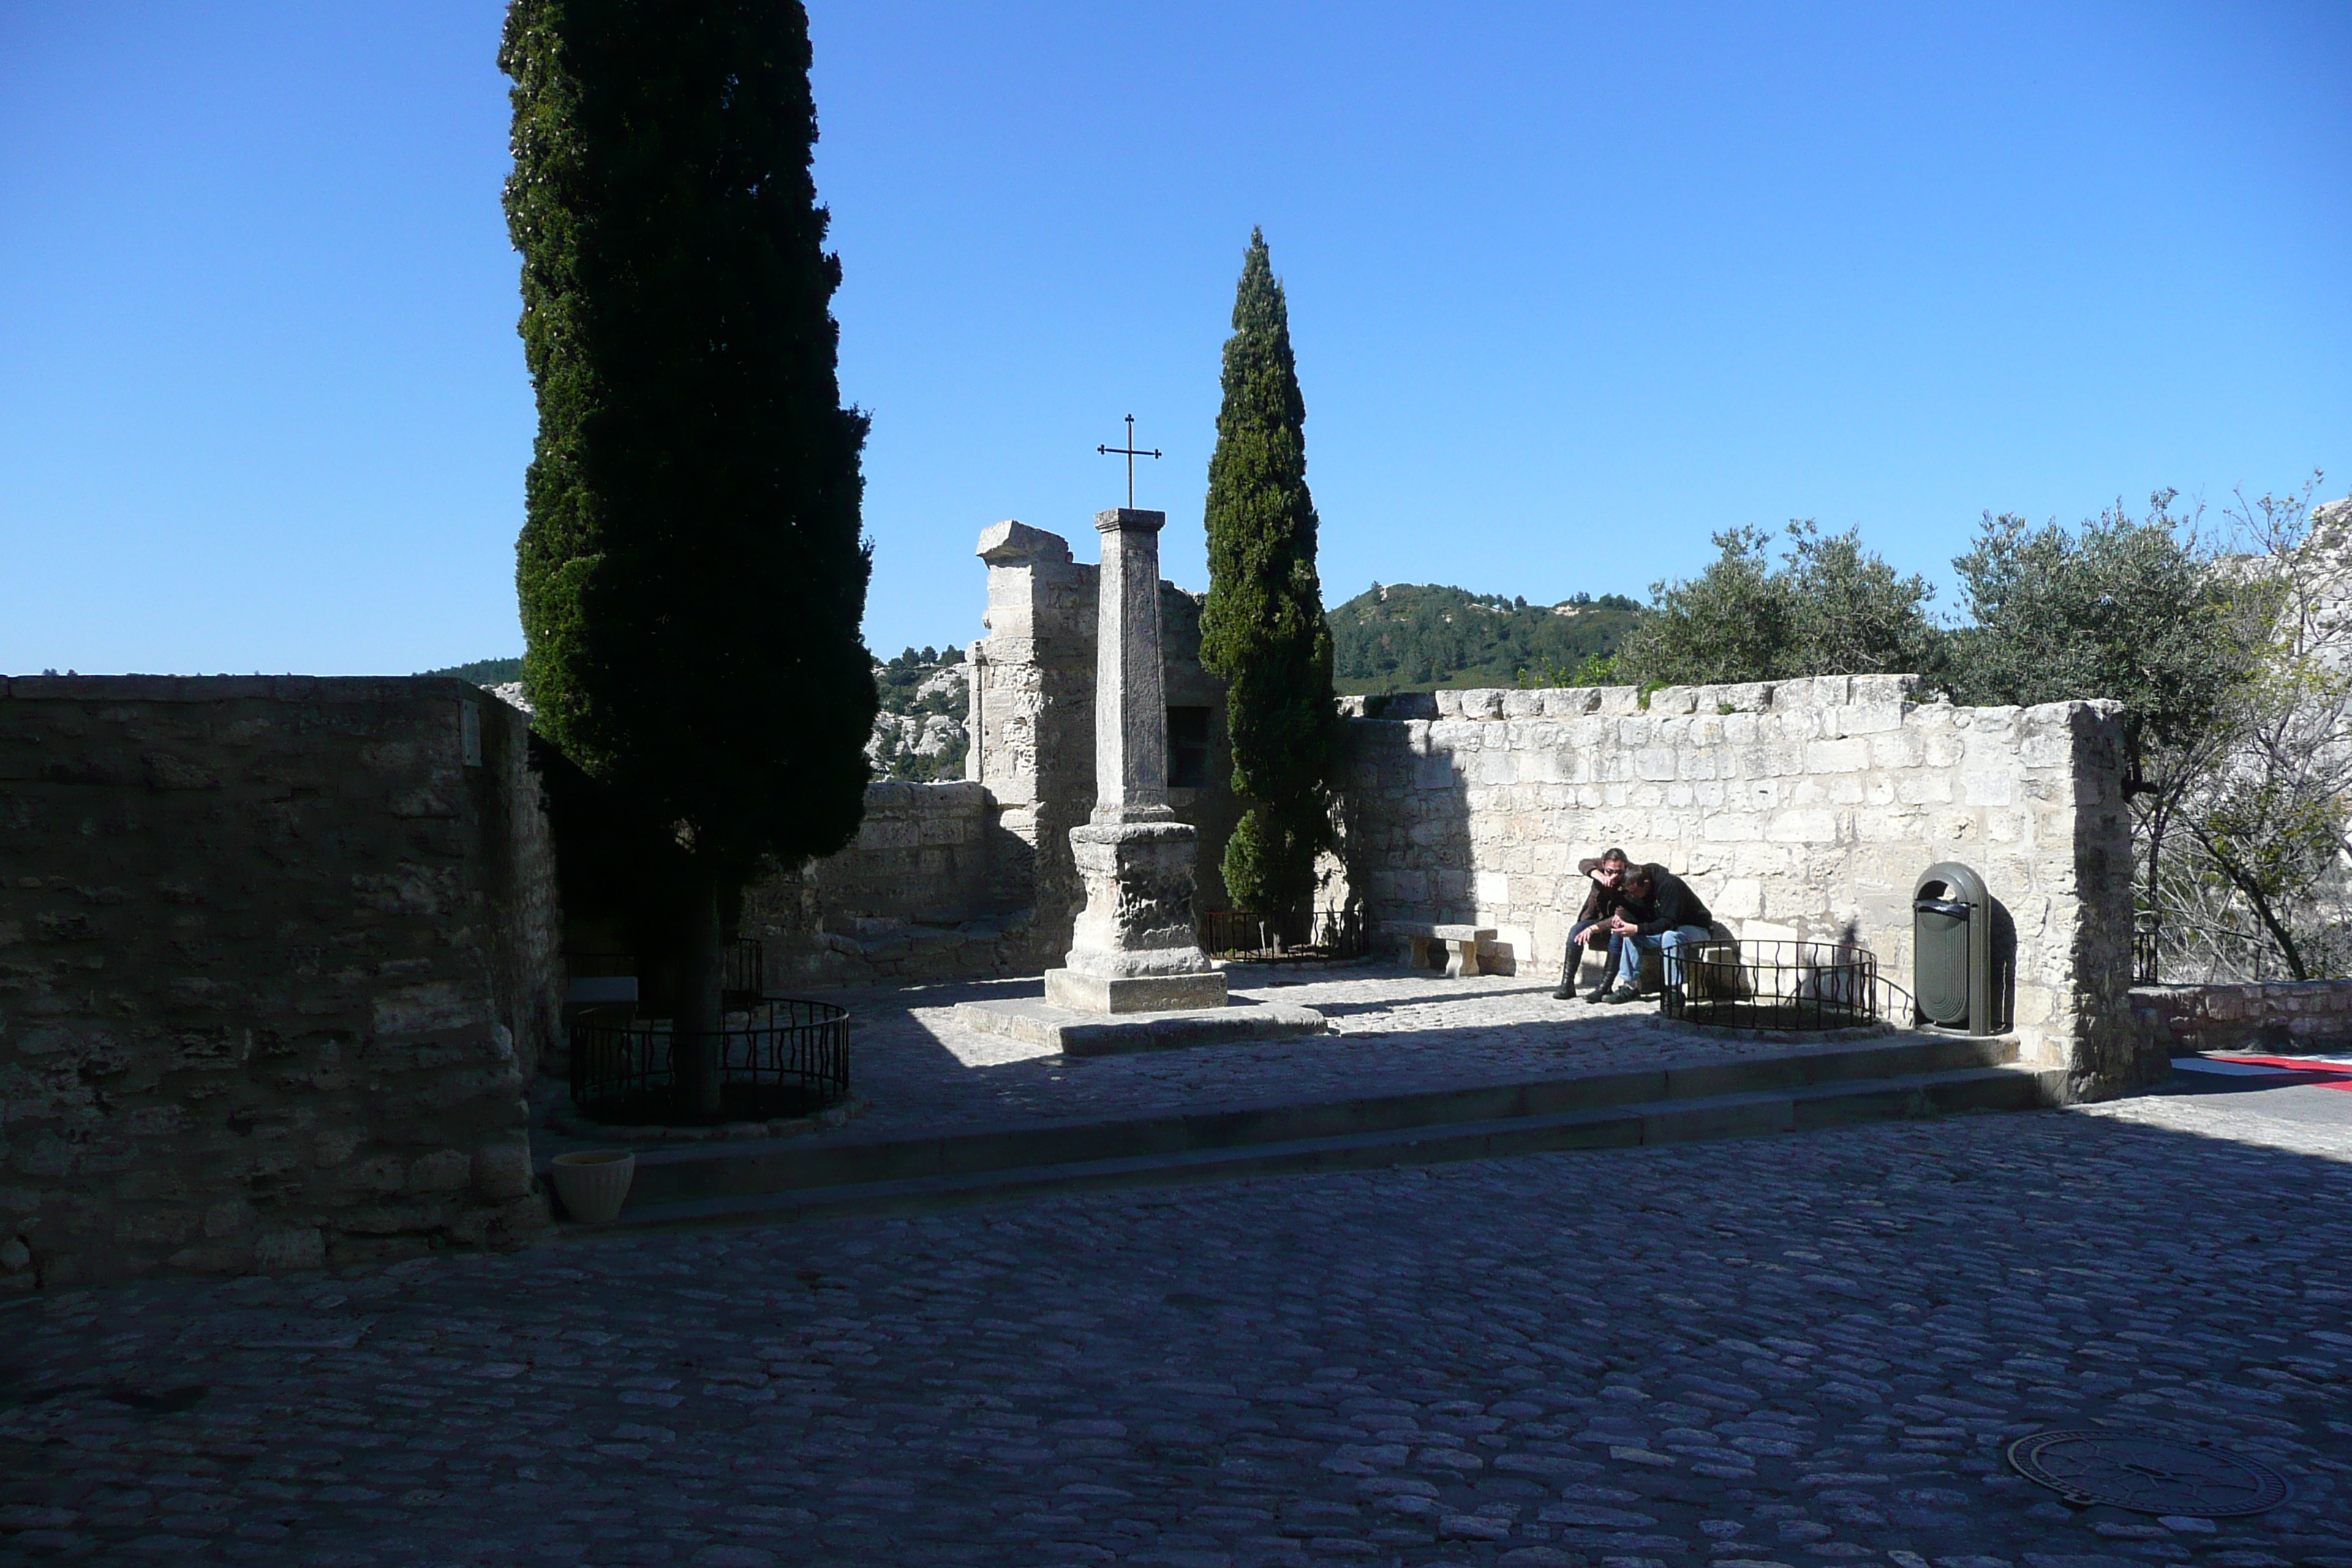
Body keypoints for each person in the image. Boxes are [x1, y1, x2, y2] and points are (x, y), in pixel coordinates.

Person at [1600, 862, 1714, 1003]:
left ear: (1646, 884)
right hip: (1665, 930)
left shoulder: (1670, 885)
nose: (1634, 895)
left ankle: (1674, 990)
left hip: (1696, 929)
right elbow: (1640, 917)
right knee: (1631, 936)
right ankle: (1630, 986)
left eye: (1635, 892)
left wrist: (1637, 929)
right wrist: (1626, 924)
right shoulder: (1639, 891)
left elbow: (1669, 922)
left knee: (1670, 936)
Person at [1553, 848, 1633, 1003]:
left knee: (1618, 935)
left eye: (1619, 872)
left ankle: (1605, 986)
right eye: (1610, 871)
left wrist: (1593, 929)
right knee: (1576, 932)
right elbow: (1584, 864)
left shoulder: (1629, 878)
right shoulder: (1601, 869)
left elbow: (1619, 917)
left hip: (1618, 921)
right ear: (1604, 865)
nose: (1615, 876)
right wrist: (1598, 875)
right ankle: (1567, 984)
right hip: (1597, 917)